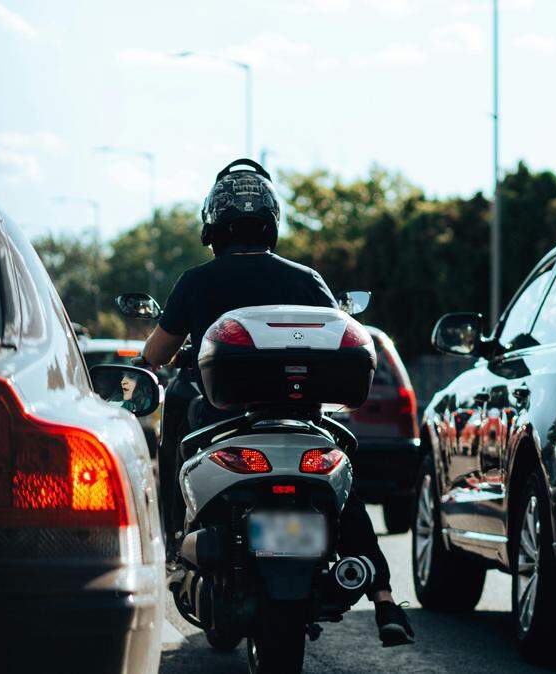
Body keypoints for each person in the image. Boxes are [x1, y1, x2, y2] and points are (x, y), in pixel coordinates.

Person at [135, 158, 415, 647]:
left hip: (221, 422)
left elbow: (154, 356)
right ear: (271, 223)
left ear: (213, 226)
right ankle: (386, 598)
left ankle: (177, 539)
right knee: (342, 485)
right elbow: (336, 335)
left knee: (178, 413)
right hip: (300, 420)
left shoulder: (196, 281)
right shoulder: (306, 278)